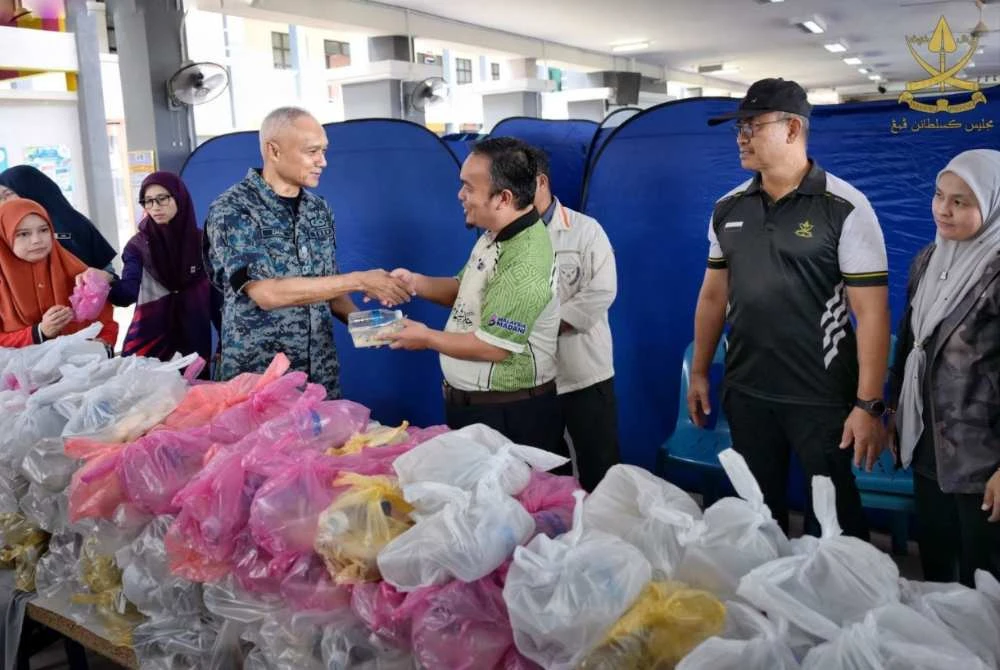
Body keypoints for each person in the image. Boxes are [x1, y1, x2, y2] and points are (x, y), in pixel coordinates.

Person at [688, 78, 891, 540]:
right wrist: (701, 372)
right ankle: (767, 607)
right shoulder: (727, 208)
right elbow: (713, 297)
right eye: (738, 127)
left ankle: (847, 608)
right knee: (759, 519)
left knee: (835, 524)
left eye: (752, 125)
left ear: (793, 129)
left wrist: (868, 404)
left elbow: (872, 314)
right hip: (748, 391)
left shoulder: (845, 207)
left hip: (820, 397)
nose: (741, 136)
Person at [203, 106, 411, 396]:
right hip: (260, 382)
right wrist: (362, 280)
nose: (322, 162)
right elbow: (266, 294)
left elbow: (330, 288)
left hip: (319, 377)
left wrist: (372, 328)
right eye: (312, 152)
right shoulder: (233, 210)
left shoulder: (318, 209)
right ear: (273, 151)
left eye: (324, 151)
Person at [386, 137, 563, 454]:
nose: (460, 195)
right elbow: (464, 289)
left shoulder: (525, 262)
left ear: (503, 198)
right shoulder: (495, 235)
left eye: (469, 187)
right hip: (476, 408)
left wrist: (426, 337)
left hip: (509, 418)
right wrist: (414, 282)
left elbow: (493, 347)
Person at [888, 149, 1000, 585]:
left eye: (961, 201)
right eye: (939, 195)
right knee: (937, 566)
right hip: (928, 444)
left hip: (983, 457)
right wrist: (893, 412)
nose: (944, 209)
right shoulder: (928, 260)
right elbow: (910, 345)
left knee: (984, 576)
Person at [529, 146, 620, 490]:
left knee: (601, 463)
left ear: (540, 182)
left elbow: (601, 292)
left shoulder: (585, 230)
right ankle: (560, 534)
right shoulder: (505, 236)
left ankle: (606, 535)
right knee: (547, 468)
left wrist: (542, 328)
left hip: (586, 373)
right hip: (534, 378)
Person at [86, 171, 217, 370]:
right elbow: (126, 295)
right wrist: (107, 279)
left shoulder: (203, 244)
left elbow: (218, 299)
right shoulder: (138, 246)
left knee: (194, 398)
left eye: (162, 199)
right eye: (148, 201)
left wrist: (224, 344)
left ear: (179, 198)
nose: (155, 207)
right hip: (149, 346)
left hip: (194, 343)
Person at [0, 198, 117, 348]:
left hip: (80, 366)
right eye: (23, 234)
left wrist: (103, 344)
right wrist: (39, 332)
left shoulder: (77, 271)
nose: (36, 240)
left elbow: (107, 322)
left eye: (43, 230)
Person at [0, 164, 117, 272]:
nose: (3, 202)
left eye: (7, 194)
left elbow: (107, 273)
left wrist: (103, 279)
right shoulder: (6, 229)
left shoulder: (74, 224)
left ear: (29, 191)